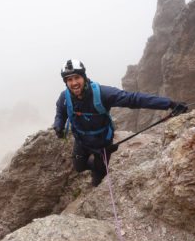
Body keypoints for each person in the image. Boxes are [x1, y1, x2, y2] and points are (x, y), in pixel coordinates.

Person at [53, 59, 187, 187]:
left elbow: (133, 99)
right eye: (69, 79)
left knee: (99, 176)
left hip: (102, 143)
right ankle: (95, 167)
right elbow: (61, 113)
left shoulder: (102, 93)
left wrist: (169, 103)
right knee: (79, 167)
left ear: (84, 77)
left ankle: (97, 176)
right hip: (81, 141)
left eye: (77, 77)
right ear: (66, 82)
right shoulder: (64, 98)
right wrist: (58, 125)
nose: (74, 83)